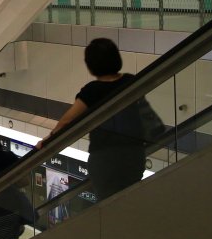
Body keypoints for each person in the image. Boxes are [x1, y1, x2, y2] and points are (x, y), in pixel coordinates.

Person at [39, 38, 148, 203]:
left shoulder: (92, 91)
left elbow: (67, 121)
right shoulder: (131, 81)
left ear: (91, 65)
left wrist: (48, 140)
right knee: (129, 199)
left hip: (105, 159)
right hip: (134, 154)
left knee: (107, 205)